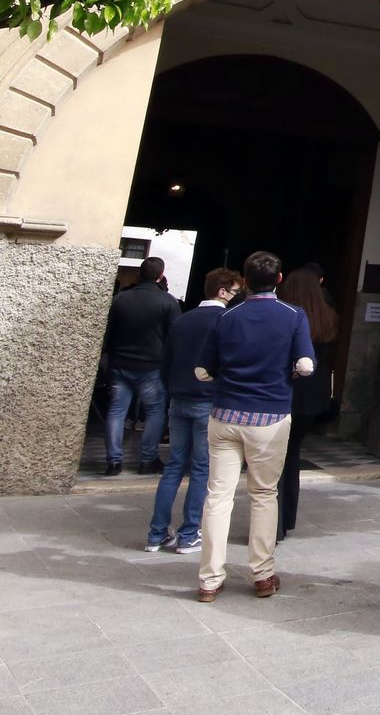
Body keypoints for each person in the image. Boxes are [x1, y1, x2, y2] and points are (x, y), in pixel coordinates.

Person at [194, 252, 315, 602]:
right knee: (263, 494)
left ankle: (209, 579)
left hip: (225, 415)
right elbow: (306, 365)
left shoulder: (227, 316)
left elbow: (202, 370)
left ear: (244, 281)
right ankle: (262, 574)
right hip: (270, 417)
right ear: (279, 279)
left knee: (218, 495)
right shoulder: (293, 315)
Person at [144, 268, 240, 554]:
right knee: (201, 469)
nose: (236, 298)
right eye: (234, 292)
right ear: (222, 292)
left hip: (178, 399)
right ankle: (189, 534)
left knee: (173, 466)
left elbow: (166, 362)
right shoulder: (227, 321)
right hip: (209, 401)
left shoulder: (182, 319)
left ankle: (156, 533)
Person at [101, 256, 182, 475]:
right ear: (160, 276)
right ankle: (148, 460)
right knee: (155, 411)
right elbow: (176, 337)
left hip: (120, 363)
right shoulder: (168, 302)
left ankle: (113, 461)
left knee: (116, 411)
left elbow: (108, 333)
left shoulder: (120, 299)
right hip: (153, 365)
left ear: (139, 274)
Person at [276, 268, 339, 541]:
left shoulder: (285, 316)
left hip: (284, 391)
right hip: (312, 396)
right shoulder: (327, 317)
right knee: (292, 456)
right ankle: (287, 517)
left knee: (275, 457)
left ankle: (274, 521)